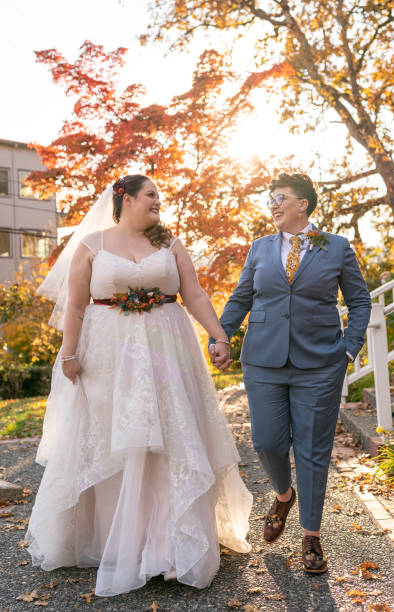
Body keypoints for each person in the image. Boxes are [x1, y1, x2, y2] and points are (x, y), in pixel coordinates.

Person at [25, 175, 252, 597]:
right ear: (125, 199)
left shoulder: (170, 242)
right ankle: (122, 543)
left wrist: (219, 336)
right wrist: (69, 355)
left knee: (170, 439)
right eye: (150, 195)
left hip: (169, 351)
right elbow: (75, 306)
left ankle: (169, 546)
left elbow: (196, 294)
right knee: (118, 443)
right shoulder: (91, 244)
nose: (157, 202)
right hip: (108, 355)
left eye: (159, 197)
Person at [210, 172, 371, 574]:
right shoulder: (260, 248)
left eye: (280, 198)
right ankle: (283, 495)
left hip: (320, 364)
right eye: (270, 199)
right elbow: (241, 297)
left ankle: (312, 536)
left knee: (313, 451)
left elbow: (360, 301)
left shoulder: (336, 247)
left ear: (303, 203)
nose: (273, 205)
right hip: (263, 360)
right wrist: (221, 335)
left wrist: (348, 350)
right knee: (267, 441)